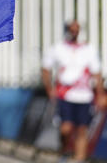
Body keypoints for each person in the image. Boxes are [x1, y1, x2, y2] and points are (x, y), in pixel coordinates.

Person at [42, 19, 105, 161]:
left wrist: (100, 94)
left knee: (82, 129)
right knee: (66, 128)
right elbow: (45, 69)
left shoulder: (88, 49)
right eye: (72, 29)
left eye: (77, 29)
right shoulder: (58, 48)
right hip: (65, 95)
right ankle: (64, 150)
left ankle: (79, 158)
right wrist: (49, 88)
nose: (74, 32)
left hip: (85, 96)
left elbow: (97, 72)